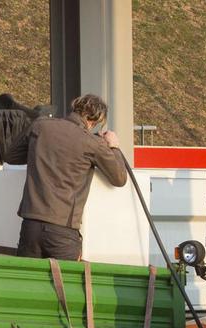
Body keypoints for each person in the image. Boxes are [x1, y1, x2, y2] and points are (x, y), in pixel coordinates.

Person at [10, 93, 127, 260]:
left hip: (30, 226)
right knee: (64, 285)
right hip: (62, 231)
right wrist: (114, 146)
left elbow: (11, 156)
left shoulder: (41, 125)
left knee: (29, 283)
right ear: (94, 121)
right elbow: (119, 178)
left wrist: (40, 150)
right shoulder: (92, 143)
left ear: (74, 107)